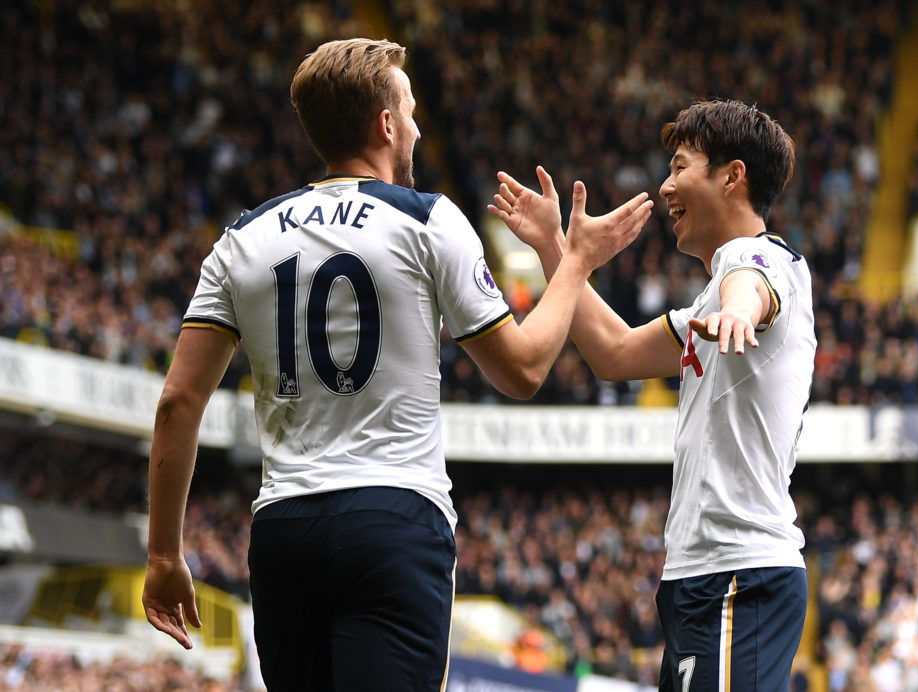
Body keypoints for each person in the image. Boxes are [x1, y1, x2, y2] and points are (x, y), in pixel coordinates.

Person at [141, 38, 652, 692]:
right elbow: (522, 370)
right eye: (409, 112)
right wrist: (575, 261)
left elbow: (177, 404)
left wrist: (162, 553)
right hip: (393, 522)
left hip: (284, 530)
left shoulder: (242, 238)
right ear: (386, 124)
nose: (415, 126)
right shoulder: (428, 219)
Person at [489, 99, 815, 691]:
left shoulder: (761, 261)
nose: (665, 187)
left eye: (680, 167)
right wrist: (553, 250)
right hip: (704, 577)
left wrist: (740, 312)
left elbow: (753, 287)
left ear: (732, 176)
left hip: (740, 575)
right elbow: (613, 352)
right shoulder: (709, 300)